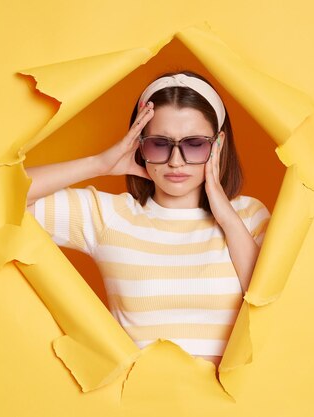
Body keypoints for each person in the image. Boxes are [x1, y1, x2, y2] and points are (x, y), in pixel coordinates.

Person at [25, 70, 270, 366]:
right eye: (159, 143)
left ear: (217, 144)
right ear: (139, 144)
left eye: (194, 144)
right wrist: (100, 164)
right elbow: (3, 195)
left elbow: (268, 304)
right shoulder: (110, 217)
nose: (175, 161)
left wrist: (227, 217)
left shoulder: (247, 216)